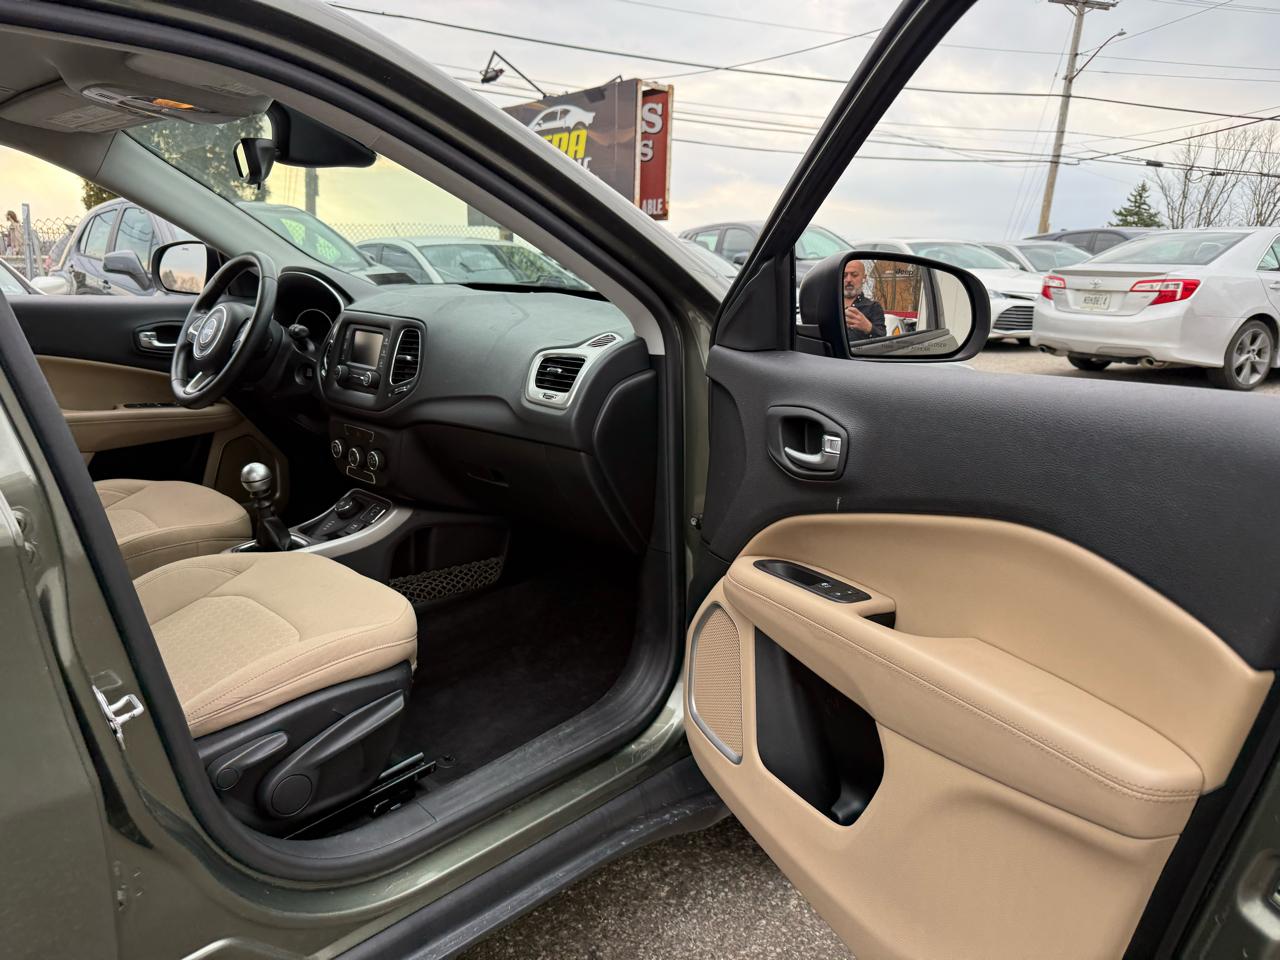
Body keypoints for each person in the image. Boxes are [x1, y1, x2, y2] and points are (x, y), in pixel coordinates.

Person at [842, 258, 886, 343]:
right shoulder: (830, 305)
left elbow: (883, 341)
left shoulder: (874, 307)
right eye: (844, 275)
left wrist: (867, 327)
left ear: (864, 278)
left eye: (854, 275)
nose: (848, 280)